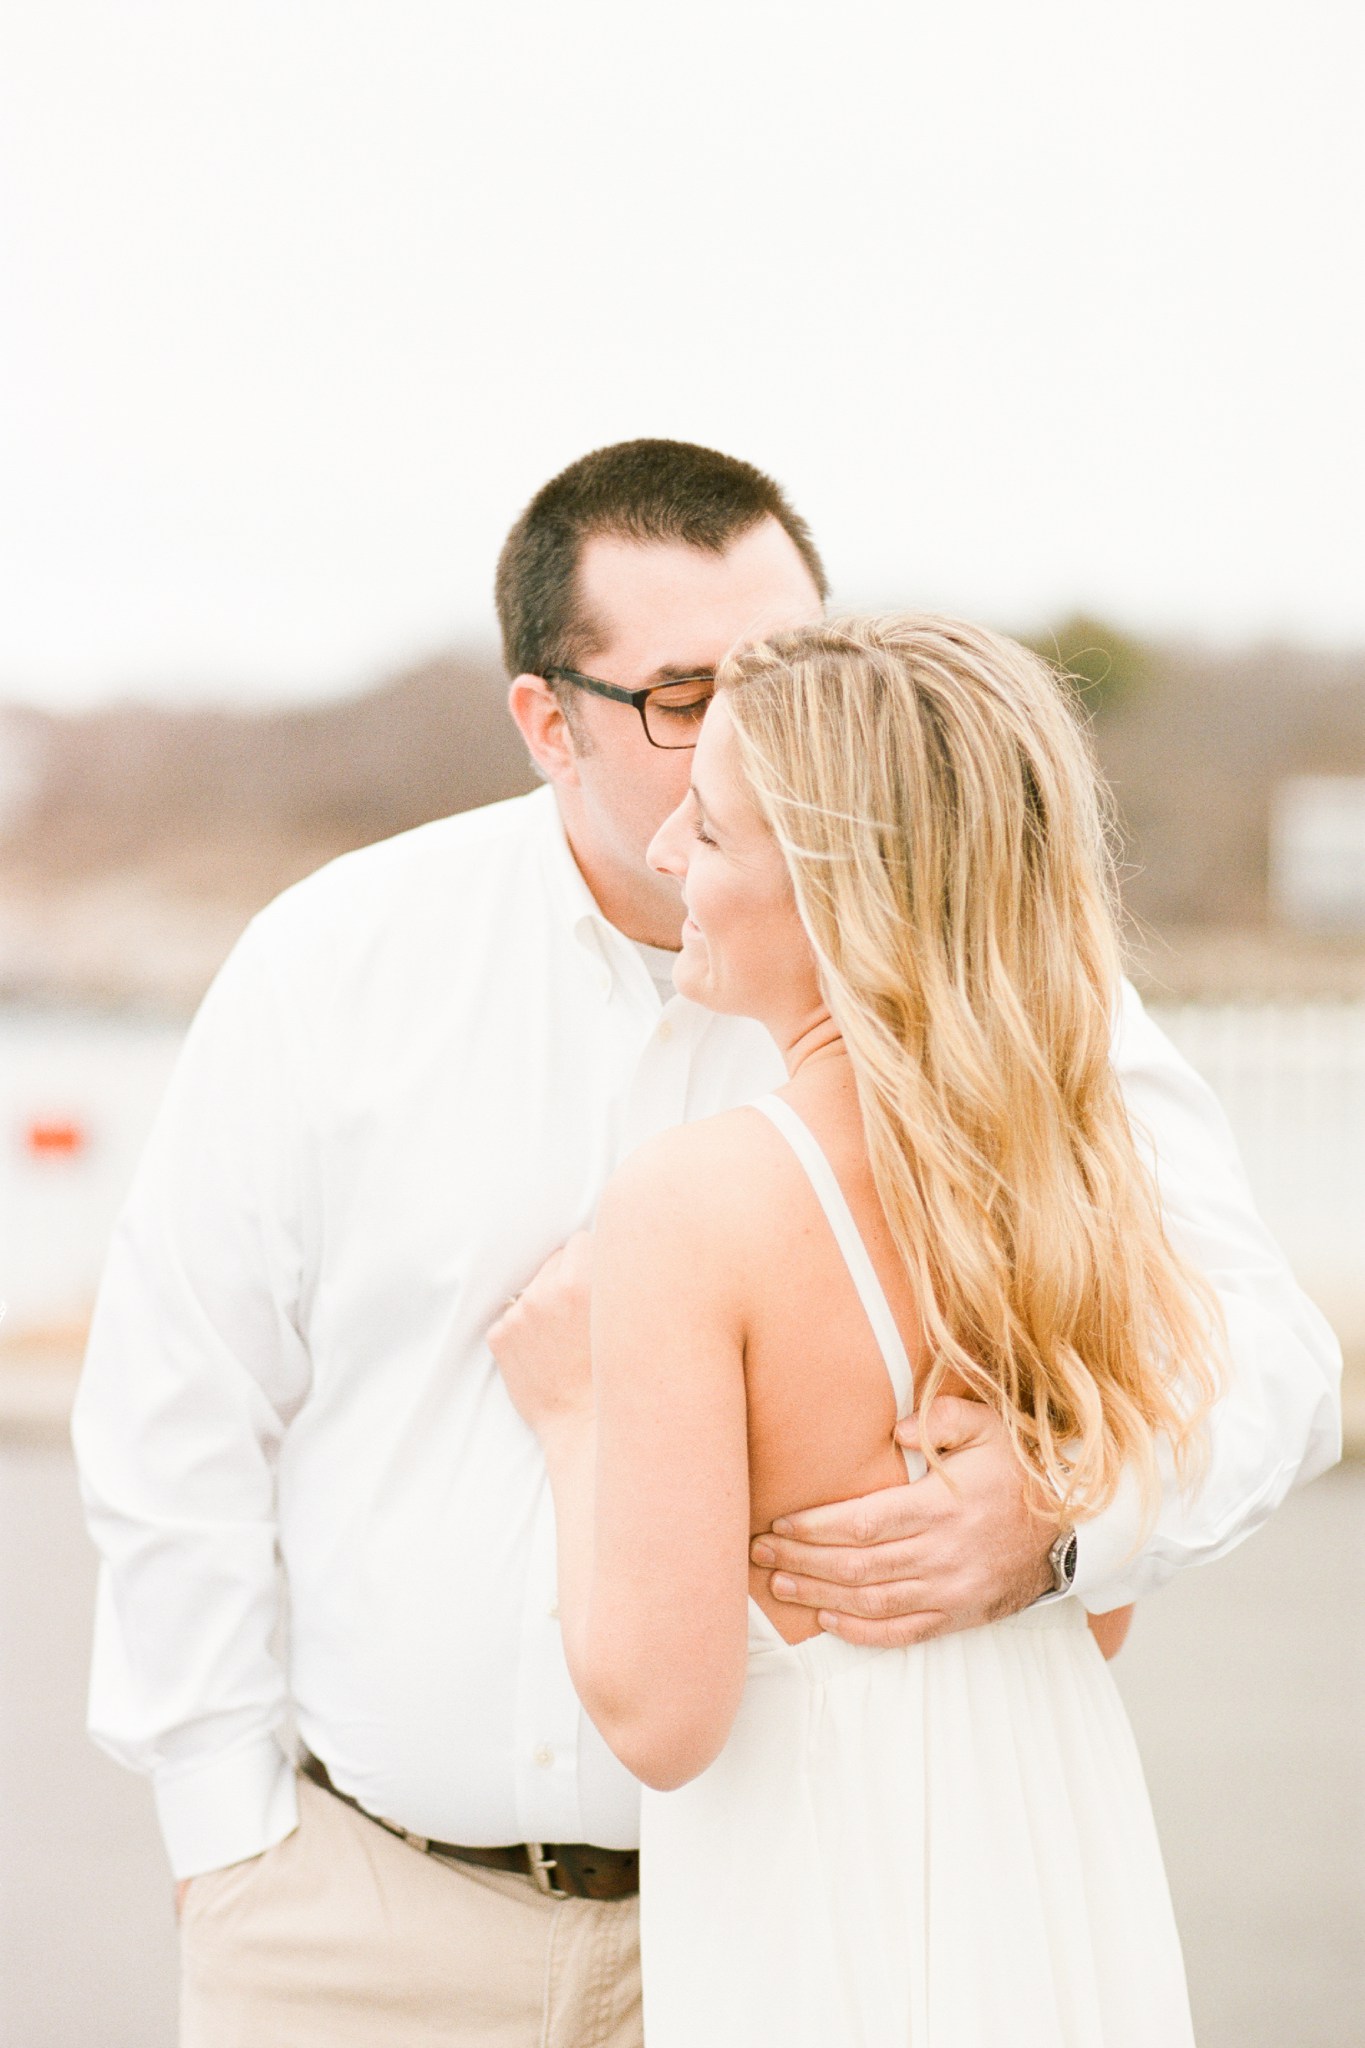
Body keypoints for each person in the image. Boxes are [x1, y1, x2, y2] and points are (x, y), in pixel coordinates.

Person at [73, 441, 1340, 2047]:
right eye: (686, 696)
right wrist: (223, 1838)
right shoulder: (334, 962)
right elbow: (175, 1401)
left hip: (804, 1921)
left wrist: (1067, 1515)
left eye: (784, 666)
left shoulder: (1016, 1006)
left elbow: (1265, 1360)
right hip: (371, 1928)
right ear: (548, 722)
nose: (758, 727)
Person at [490, 613, 1230, 2043]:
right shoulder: (1068, 1172)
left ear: (834, 887)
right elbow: (1102, 1609)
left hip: (824, 1889)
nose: (663, 861)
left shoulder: (693, 1204)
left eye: (706, 835)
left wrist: (574, 1413)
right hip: (1043, 1846)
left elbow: (663, 1713)